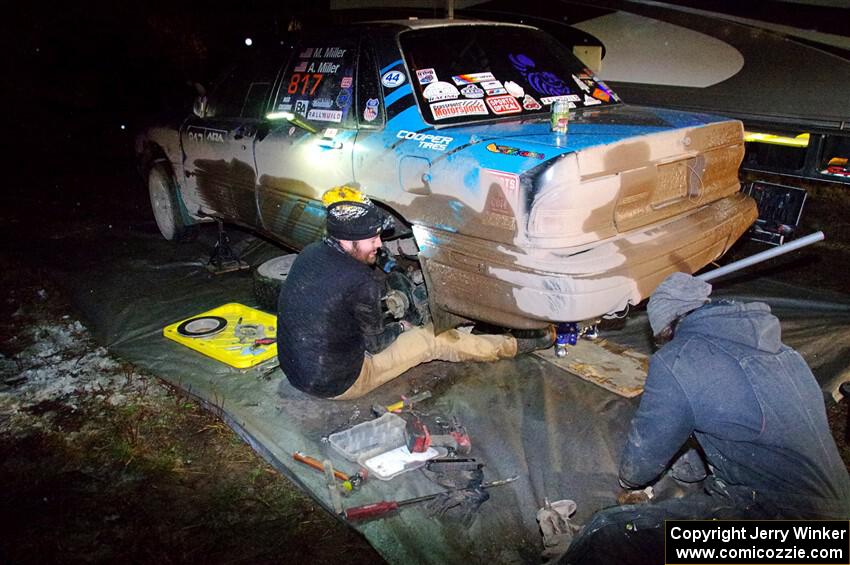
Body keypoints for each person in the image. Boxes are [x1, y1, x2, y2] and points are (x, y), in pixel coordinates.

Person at [562, 272, 850, 565]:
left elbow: (639, 465)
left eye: (659, 338)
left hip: (785, 532)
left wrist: (629, 480)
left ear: (667, 329)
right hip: (838, 521)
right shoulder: (784, 353)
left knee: (609, 534)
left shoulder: (679, 358)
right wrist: (688, 467)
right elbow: (737, 426)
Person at [276, 187, 554, 400]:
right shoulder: (360, 280)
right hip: (338, 383)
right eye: (372, 238)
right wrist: (400, 326)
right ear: (347, 240)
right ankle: (520, 344)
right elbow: (375, 346)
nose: (379, 243)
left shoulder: (310, 253)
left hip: (297, 371)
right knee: (434, 340)